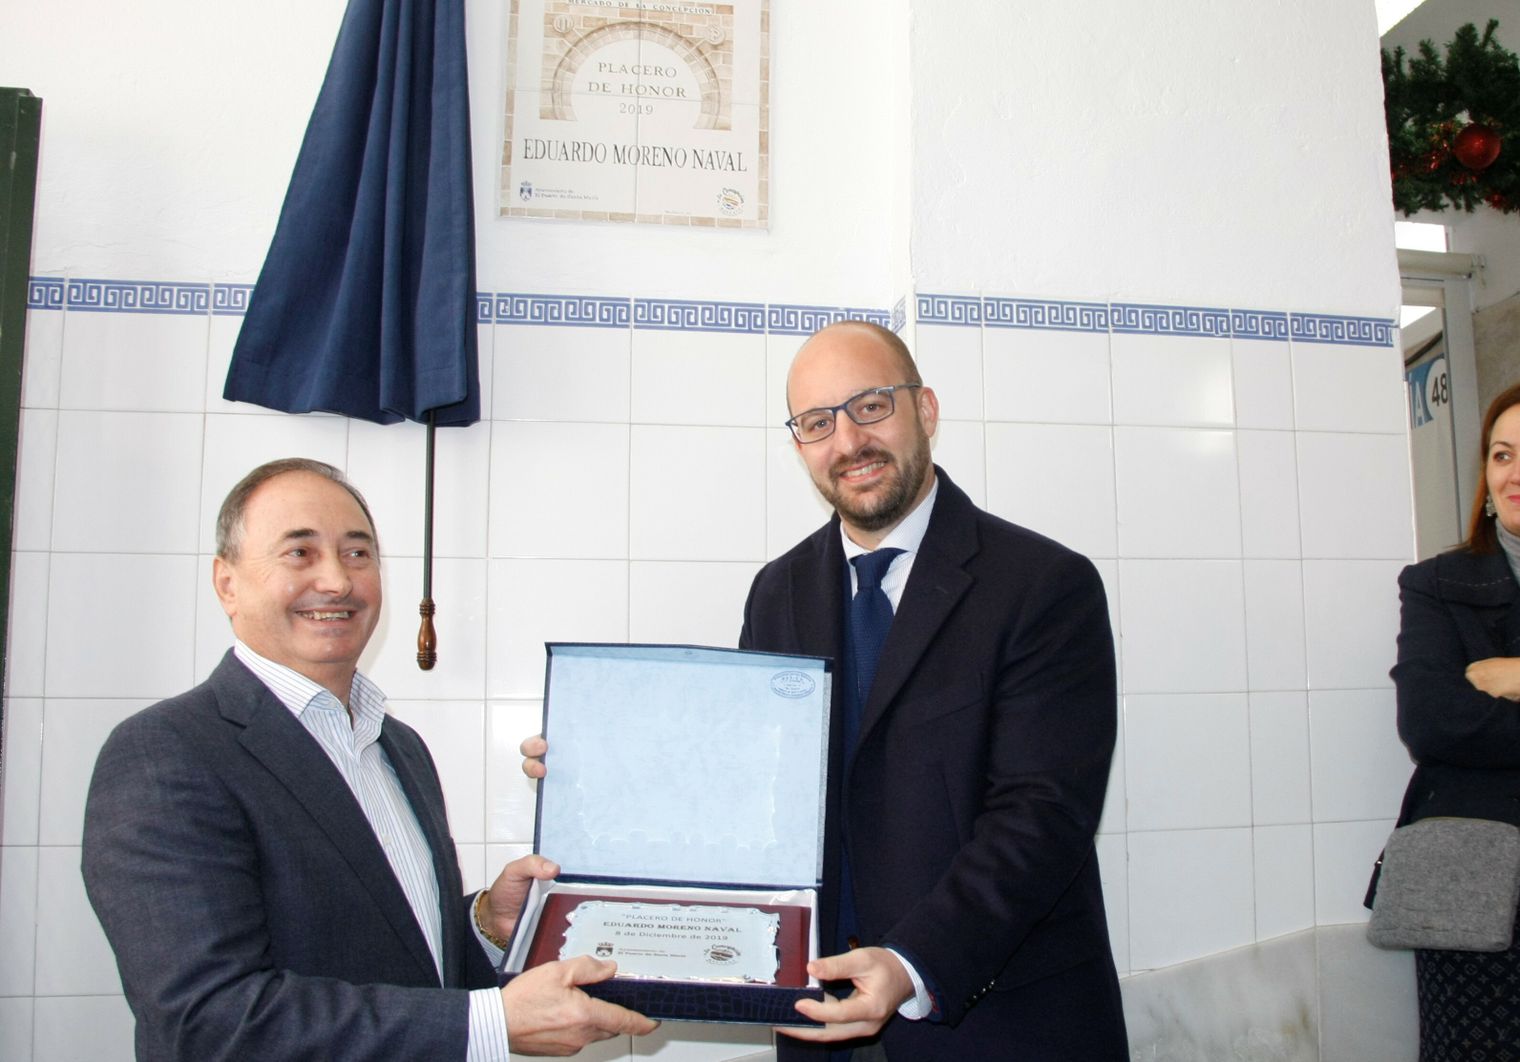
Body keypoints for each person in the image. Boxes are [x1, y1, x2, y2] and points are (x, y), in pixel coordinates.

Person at [82, 458, 657, 1061]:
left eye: (358, 554)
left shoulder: (398, 746)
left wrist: (486, 924)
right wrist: (486, 1022)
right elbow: (207, 1019)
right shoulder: (164, 753)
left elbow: (404, 962)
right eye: (299, 553)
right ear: (227, 583)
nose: (336, 581)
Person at [738, 321, 1127, 1059]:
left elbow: (1042, 816)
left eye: (871, 406)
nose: (848, 441)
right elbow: (759, 789)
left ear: (926, 411)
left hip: (998, 1025)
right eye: (819, 422)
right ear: (800, 447)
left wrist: (910, 963)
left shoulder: (1044, 586)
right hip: (821, 1029)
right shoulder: (777, 593)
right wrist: (619, 771)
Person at [1390, 377, 1520, 1059]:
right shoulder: (1436, 585)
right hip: (1472, 890)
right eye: (1502, 455)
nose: (1519, 474)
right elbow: (1431, 723)